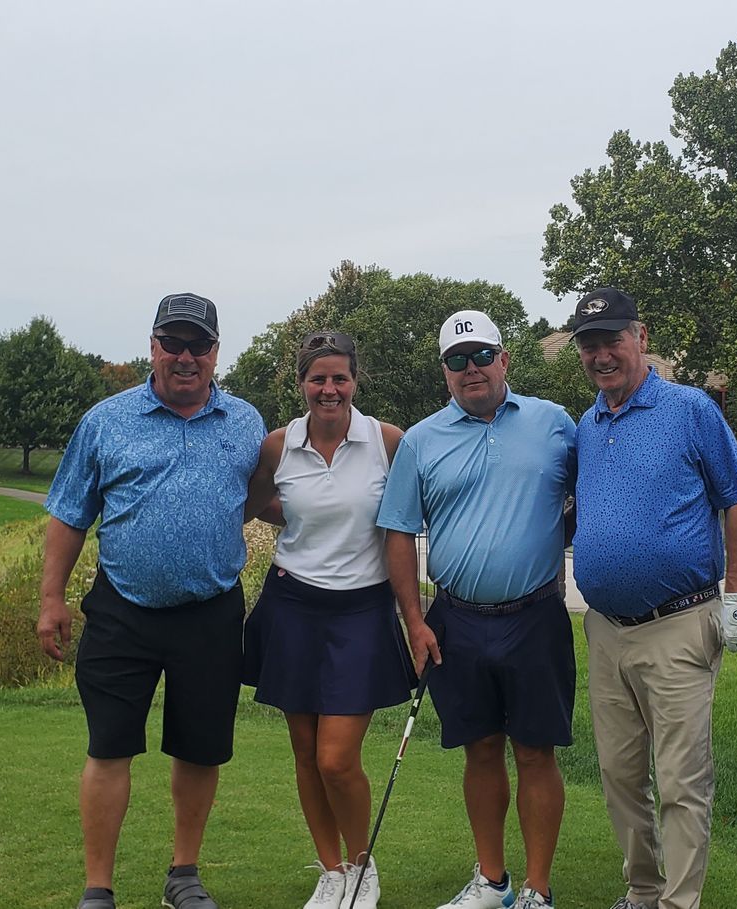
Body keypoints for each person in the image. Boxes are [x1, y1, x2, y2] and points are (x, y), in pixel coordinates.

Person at [37, 292, 265, 909]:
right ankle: (98, 888)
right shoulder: (107, 420)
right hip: (122, 609)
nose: (186, 356)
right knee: (109, 745)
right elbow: (68, 514)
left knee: (199, 748)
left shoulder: (245, 422)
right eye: (174, 342)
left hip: (212, 612)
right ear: (154, 347)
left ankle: (183, 876)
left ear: (216, 352)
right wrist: (52, 597)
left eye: (199, 345)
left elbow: (270, 495)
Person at [564, 288, 737, 909]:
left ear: (640, 337)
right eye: (589, 344)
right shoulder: (587, 426)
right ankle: (642, 891)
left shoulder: (690, 409)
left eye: (611, 340)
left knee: (680, 780)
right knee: (621, 777)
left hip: (678, 623)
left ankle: (680, 902)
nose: (600, 355)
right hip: (606, 630)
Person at [374, 310, 577, 909]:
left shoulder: (554, 424)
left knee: (535, 750)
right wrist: (414, 621)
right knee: (481, 749)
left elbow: (593, 495)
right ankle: (492, 881)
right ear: (445, 372)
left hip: (536, 615)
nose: (472, 370)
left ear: (504, 359)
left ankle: (538, 890)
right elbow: (399, 533)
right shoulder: (421, 441)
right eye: (458, 361)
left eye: (482, 356)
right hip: (457, 619)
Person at [241, 331, 410, 909]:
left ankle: (362, 867)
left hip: (362, 608)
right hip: (292, 604)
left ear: (355, 381)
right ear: (302, 385)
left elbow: (410, 518)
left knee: (337, 757)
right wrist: (293, 518)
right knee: (305, 751)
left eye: (340, 378)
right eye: (318, 379)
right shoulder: (278, 445)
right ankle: (331, 869)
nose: (329, 389)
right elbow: (251, 501)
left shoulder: (387, 441)